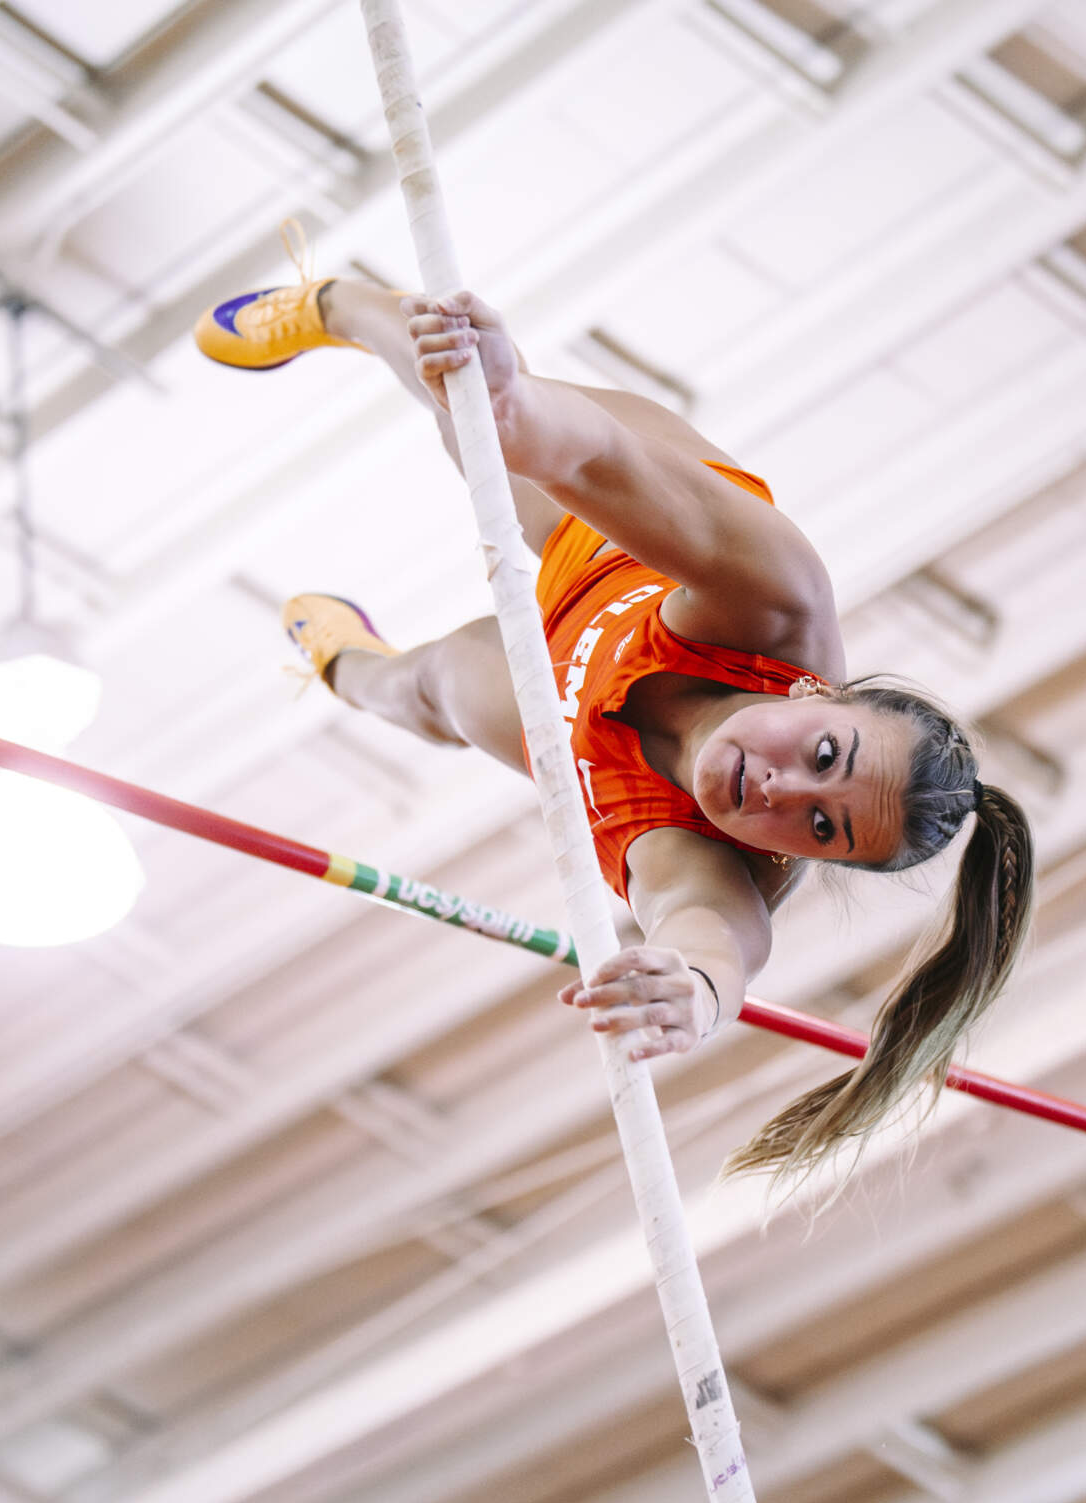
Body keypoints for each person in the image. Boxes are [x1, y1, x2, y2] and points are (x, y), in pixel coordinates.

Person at [196, 263, 1032, 1179]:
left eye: (822, 828)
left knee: (429, 689)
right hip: (608, 536)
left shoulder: (716, 867)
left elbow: (715, 943)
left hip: (574, 723)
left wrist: (692, 996)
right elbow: (597, 459)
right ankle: (341, 302)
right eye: (826, 755)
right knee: (473, 415)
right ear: (817, 693)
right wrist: (509, 402)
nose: (781, 789)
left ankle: (343, 662)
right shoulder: (777, 597)